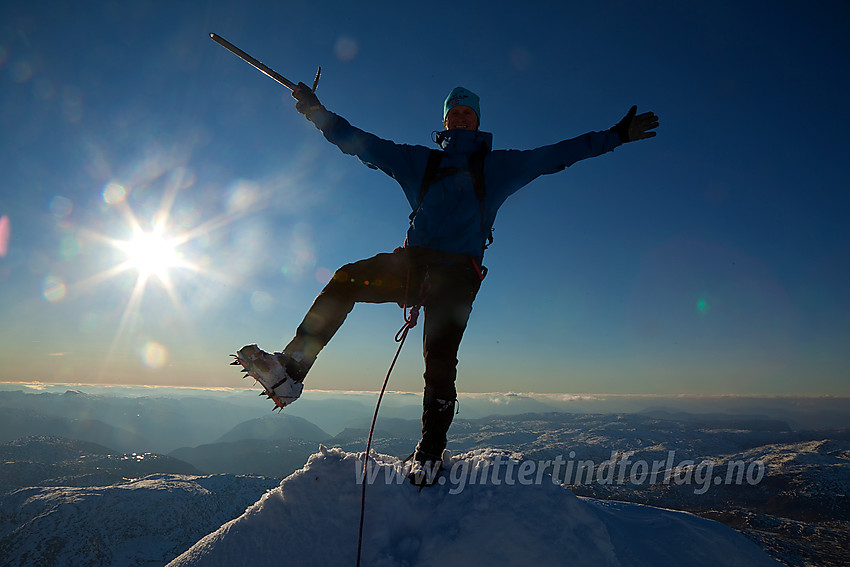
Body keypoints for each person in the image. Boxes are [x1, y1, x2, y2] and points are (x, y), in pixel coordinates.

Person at [234, 84, 659, 486]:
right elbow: (358, 141)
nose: (459, 118)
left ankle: (430, 452)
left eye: (466, 113)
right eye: (453, 113)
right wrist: (315, 112)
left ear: (476, 122)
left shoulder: (499, 167)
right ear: (446, 121)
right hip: (413, 268)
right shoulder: (419, 161)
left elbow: (556, 155)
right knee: (346, 279)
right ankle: (292, 370)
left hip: (457, 276)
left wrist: (615, 136)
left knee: (439, 361)